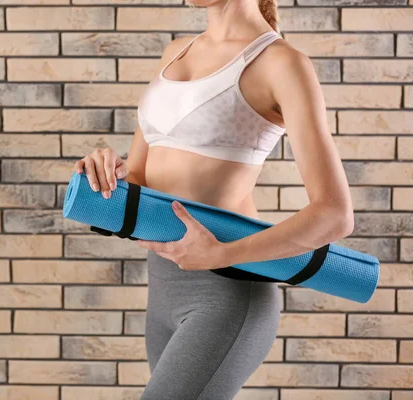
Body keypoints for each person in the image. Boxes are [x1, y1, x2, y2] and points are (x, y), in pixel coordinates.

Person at [72, 0, 354, 397]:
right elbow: (137, 176)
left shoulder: (281, 63)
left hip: (227, 292)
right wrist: (104, 168)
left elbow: (334, 214)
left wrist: (219, 255)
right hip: (165, 284)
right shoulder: (177, 52)